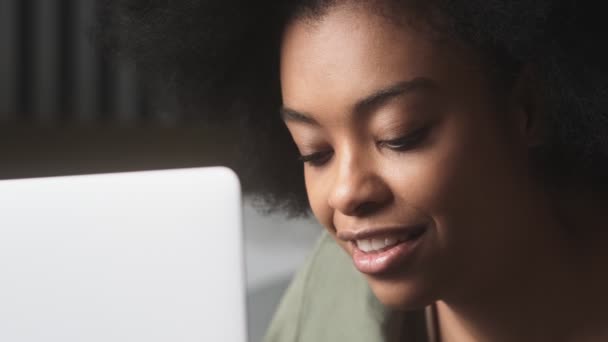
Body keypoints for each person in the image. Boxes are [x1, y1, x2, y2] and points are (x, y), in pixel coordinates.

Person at [102, 1, 608, 341]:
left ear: (527, 109)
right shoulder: (330, 294)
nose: (346, 193)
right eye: (315, 152)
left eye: (399, 135)